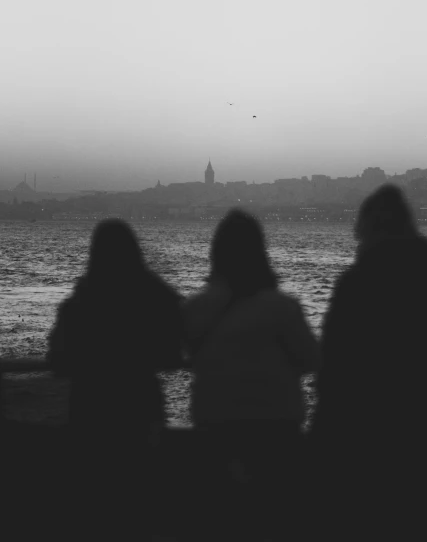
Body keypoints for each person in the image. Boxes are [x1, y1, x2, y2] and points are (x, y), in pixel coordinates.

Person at [312, 185, 427, 539]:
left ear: (366, 229)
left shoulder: (355, 285)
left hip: (353, 436)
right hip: (410, 432)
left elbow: (333, 363)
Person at [183, 209, 320, 541]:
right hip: (275, 433)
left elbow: (181, 351)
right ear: (261, 253)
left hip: (215, 430)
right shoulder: (282, 308)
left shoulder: (196, 308)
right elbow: (312, 358)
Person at [47, 219, 184, 540]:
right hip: (140, 411)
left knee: (94, 509)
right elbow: (173, 352)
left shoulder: (80, 301)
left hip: (90, 412)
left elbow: (58, 361)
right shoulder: (155, 295)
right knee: (140, 506)